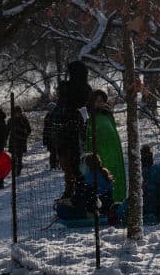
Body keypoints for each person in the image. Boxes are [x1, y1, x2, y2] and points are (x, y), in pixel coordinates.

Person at [51, 62, 92, 198]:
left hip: (65, 129)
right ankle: (76, 191)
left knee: (71, 163)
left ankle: (74, 191)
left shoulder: (67, 89)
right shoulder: (82, 89)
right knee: (73, 163)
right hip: (72, 128)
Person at [86, 90, 126, 203]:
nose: (100, 104)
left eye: (102, 101)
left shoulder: (108, 117)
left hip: (115, 158)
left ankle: (118, 204)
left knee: (116, 182)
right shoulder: (91, 121)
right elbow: (90, 144)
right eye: (97, 101)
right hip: (102, 160)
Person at [6, 105, 32, 177]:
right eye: (16, 112)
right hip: (13, 141)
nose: (17, 114)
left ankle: (18, 170)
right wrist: (5, 140)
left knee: (19, 156)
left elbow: (29, 130)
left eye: (19, 112)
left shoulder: (24, 119)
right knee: (13, 157)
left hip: (21, 141)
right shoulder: (10, 120)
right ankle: (14, 171)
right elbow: (7, 131)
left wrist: (24, 136)